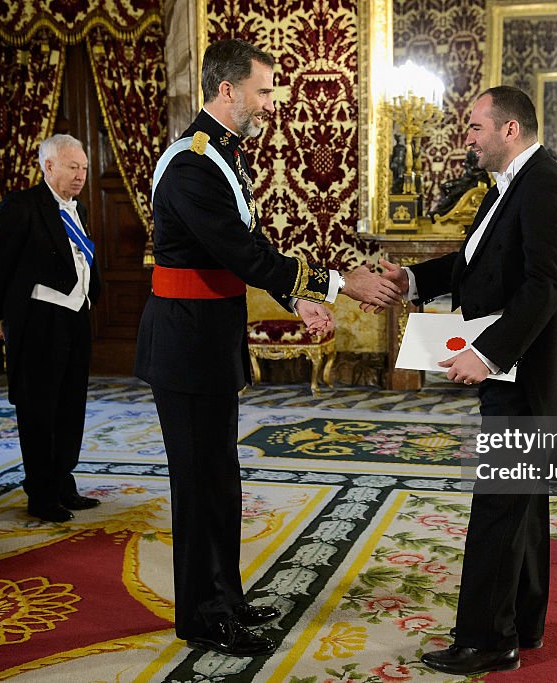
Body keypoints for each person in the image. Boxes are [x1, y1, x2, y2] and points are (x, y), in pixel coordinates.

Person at [134, 39, 401, 658]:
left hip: (205, 338)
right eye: (261, 92)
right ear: (226, 90)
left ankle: (223, 597)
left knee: (219, 481)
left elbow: (234, 257)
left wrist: (297, 301)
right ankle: (205, 617)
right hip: (185, 344)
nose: (268, 104)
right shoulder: (192, 163)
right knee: (201, 485)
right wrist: (335, 283)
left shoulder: (223, 155)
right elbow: (239, 249)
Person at [375, 86, 557, 676]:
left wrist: (488, 355)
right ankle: (523, 622)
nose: (466, 138)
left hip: (527, 376)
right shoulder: (513, 185)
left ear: (510, 130)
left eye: (474, 127)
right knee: (521, 503)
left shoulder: (544, 185)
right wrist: (412, 280)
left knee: (499, 504)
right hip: (517, 371)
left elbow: (545, 283)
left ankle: (486, 641)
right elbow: (478, 262)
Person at [0, 134, 102, 524]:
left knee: (70, 405)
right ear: (48, 166)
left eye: (83, 168)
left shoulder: (78, 208)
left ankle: (63, 481)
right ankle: (40, 492)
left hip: (74, 319)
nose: (80, 175)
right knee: (39, 410)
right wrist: (1, 319)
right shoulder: (21, 206)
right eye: (73, 167)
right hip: (38, 323)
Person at [430, 149, 491, 217]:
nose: (464, 163)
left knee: (455, 193)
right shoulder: (474, 154)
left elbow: (476, 172)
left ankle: (441, 211)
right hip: (467, 180)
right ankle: (441, 210)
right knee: (446, 186)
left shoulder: (481, 165)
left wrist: (470, 171)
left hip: (473, 183)